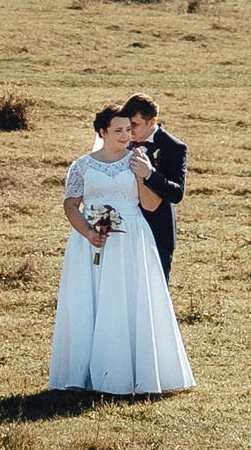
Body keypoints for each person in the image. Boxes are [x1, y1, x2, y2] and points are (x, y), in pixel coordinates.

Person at [47, 104, 194, 396]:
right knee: (90, 302)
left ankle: (133, 375)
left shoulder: (137, 159)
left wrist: (146, 173)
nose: (126, 135)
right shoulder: (82, 165)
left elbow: (151, 205)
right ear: (102, 132)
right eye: (118, 130)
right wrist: (88, 232)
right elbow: (70, 204)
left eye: (129, 130)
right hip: (90, 243)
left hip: (132, 240)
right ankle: (85, 375)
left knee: (129, 301)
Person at [122, 93, 187, 280]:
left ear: (152, 122)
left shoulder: (173, 147)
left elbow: (177, 193)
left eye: (134, 124)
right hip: (125, 227)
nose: (129, 129)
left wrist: (150, 174)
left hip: (157, 229)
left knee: (155, 287)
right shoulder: (120, 141)